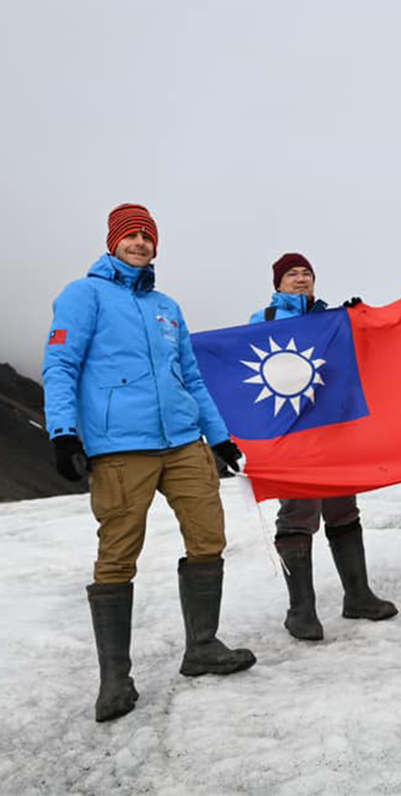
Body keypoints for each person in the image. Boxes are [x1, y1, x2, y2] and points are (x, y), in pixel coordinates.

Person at [43, 203, 256, 723]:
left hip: (183, 441)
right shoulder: (84, 295)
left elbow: (193, 377)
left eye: (147, 237)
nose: (140, 243)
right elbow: (61, 362)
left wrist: (220, 438)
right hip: (119, 446)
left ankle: (201, 647)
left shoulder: (168, 306)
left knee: (208, 538)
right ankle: (115, 679)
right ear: (113, 241)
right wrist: (63, 432)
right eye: (131, 236)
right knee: (117, 555)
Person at [248, 253, 397, 641]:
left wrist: (357, 322)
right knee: (299, 513)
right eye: (292, 275)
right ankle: (301, 611)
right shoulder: (260, 322)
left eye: (307, 274)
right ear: (277, 283)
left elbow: (359, 359)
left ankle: (358, 595)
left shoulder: (332, 319)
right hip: (291, 434)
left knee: (343, 507)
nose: (301, 279)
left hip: (333, 430)